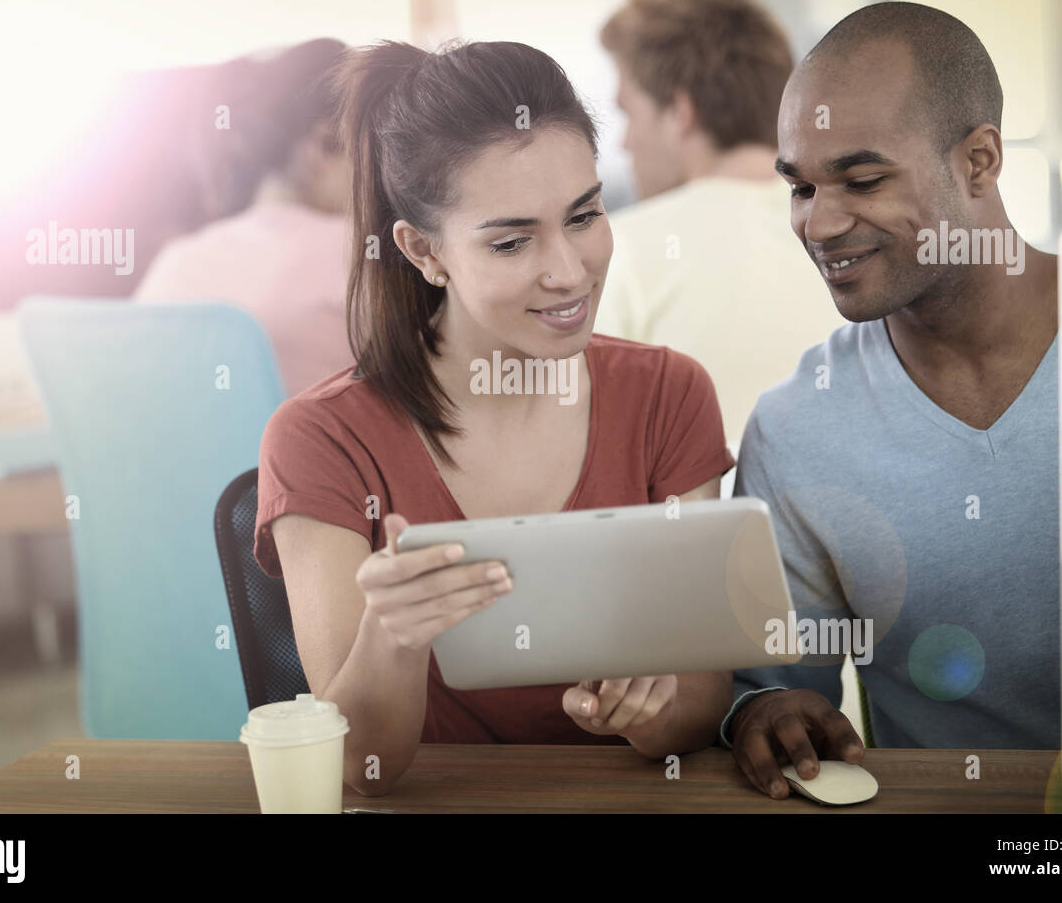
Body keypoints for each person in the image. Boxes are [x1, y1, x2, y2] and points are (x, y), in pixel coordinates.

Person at [253, 39, 736, 796]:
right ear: (422, 251)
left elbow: (700, 710)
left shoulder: (668, 395)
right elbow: (360, 770)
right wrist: (394, 635)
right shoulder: (322, 439)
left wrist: (646, 709)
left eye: (584, 216)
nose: (569, 271)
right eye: (512, 241)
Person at [721, 2, 1061, 798]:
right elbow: (764, 686)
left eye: (862, 179)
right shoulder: (797, 428)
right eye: (800, 187)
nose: (820, 222)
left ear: (979, 161)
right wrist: (770, 711)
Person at [594, 0, 843, 442]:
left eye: (629, 113)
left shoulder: (617, 250)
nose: (626, 143)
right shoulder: (852, 235)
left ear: (681, 112)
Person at [135, 38, 355, 396]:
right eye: (378, 148)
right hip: (324, 452)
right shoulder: (355, 249)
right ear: (325, 145)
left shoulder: (175, 261)